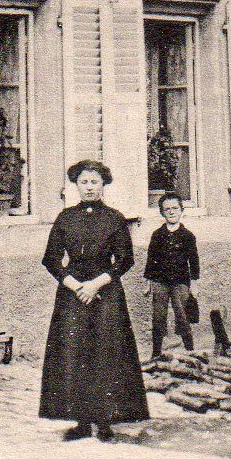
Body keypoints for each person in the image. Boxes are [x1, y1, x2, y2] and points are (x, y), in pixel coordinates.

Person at [39, 160, 149, 442]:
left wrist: (96, 283)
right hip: (73, 291)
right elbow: (51, 259)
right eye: (84, 182)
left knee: (106, 352)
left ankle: (106, 421)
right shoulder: (65, 218)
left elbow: (125, 260)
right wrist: (76, 286)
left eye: (94, 182)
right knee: (74, 353)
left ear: (103, 185)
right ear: (76, 185)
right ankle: (80, 422)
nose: (89, 187)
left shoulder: (114, 218)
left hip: (106, 291)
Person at [143, 193, 199, 360]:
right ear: (162, 213)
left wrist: (194, 284)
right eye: (167, 209)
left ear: (182, 210)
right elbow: (150, 260)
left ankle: (190, 350)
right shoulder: (157, 235)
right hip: (160, 282)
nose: (171, 212)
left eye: (175, 208)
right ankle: (156, 352)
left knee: (182, 316)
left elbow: (194, 261)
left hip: (181, 282)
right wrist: (148, 283)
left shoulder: (188, 236)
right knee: (158, 317)